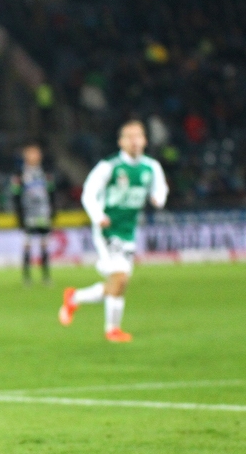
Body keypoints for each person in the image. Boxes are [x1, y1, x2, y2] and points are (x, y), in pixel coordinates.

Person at [58, 120, 168, 342]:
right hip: (108, 230)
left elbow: (161, 188)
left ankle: (75, 298)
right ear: (121, 142)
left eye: (139, 136)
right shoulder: (109, 166)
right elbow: (88, 192)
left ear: (145, 140)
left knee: (118, 283)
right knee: (120, 278)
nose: (135, 141)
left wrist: (159, 199)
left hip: (129, 231)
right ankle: (112, 330)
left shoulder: (151, 167)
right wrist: (98, 216)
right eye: (130, 137)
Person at [10, 143, 55, 284]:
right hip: (28, 213)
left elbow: (52, 193)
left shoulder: (46, 173)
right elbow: (15, 195)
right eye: (31, 153)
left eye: (36, 153)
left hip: (43, 213)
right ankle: (27, 277)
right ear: (25, 156)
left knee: (44, 244)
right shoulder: (20, 173)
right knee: (27, 243)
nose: (34, 156)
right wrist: (19, 215)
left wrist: (53, 211)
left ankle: (46, 276)